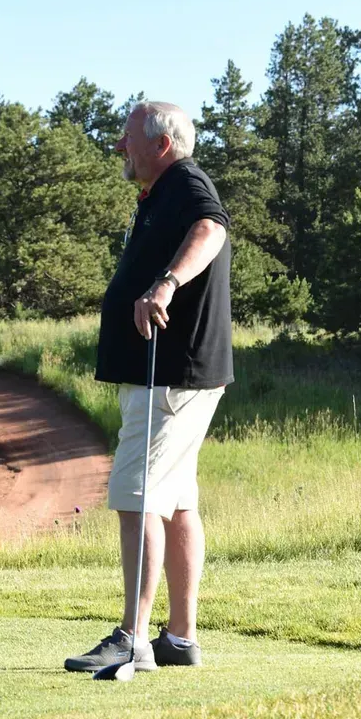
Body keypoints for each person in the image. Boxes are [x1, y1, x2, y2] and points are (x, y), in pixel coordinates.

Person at [64, 101, 232, 673]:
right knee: (178, 501)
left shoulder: (186, 182)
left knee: (137, 496)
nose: (119, 146)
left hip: (170, 374)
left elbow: (211, 229)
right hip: (174, 374)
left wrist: (164, 285)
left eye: (128, 137)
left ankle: (133, 637)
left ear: (161, 144)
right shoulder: (162, 193)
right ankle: (179, 639)